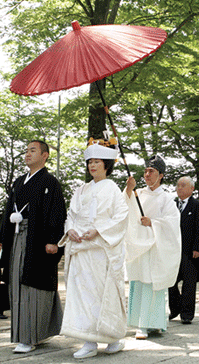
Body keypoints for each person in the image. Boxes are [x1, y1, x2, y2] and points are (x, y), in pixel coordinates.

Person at [58, 141, 129, 358]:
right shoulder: (81, 189)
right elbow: (71, 215)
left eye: (97, 161)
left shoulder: (113, 189)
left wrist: (98, 230)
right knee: (82, 295)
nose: (92, 165)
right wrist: (70, 230)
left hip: (100, 249)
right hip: (80, 247)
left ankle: (113, 337)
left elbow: (121, 216)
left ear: (106, 164)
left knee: (102, 294)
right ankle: (88, 341)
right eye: (90, 161)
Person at [0, 140, 67, 354]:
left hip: (38, 240)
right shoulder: (19, 182)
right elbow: (9, 209)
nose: (27, 154)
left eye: (32, 150)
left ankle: (31, 336)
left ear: (45, 155)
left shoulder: (50, 182)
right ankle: (24, 334)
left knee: (34, 286)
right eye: (26, 151)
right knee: (17, 283)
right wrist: (3, 236)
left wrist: (54, 241)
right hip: (18, 237)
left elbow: (57, 212)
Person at [125, 155, 181, 339]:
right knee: (139, 283)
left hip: (155, 247)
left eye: (152, 171)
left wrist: (153, 222)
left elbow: (172, 223)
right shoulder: (137, 194)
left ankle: (154, 323)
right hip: (140, 246)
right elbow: (125, 210)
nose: (147, 175)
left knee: (152, 284)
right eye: (146, 171)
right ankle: (140, 323)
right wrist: (128, 191)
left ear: (161, 175)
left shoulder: (166, 198)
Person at [169, 176, 199, 324]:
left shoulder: (198, 205)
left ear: (192, 188)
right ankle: (175, 307)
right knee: (170, 283)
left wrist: (198, 247)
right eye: (178, 185)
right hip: (172, 251)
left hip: (190, 251)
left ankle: (186, 314)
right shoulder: (171, 205)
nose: (179, 188)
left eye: (183, 185)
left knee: (189, 284)